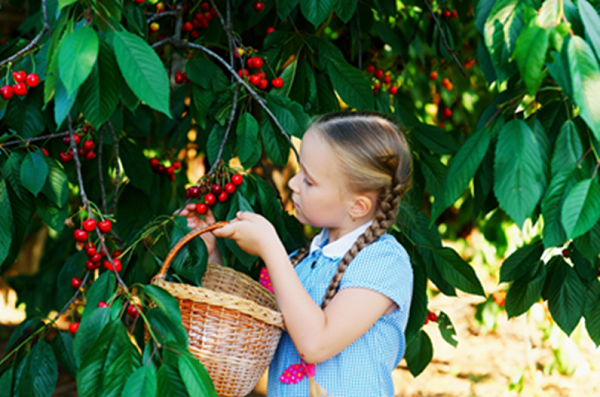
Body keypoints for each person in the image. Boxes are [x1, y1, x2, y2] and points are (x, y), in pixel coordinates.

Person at [180, 110, 414, 397]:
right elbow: (243, 326)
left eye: (309, 180)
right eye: (300, 171)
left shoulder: (383, 262)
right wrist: (210, 252)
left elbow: (316, 343)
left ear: (358, 206)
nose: (293, 183)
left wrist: (269, 247)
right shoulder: (301, 262)